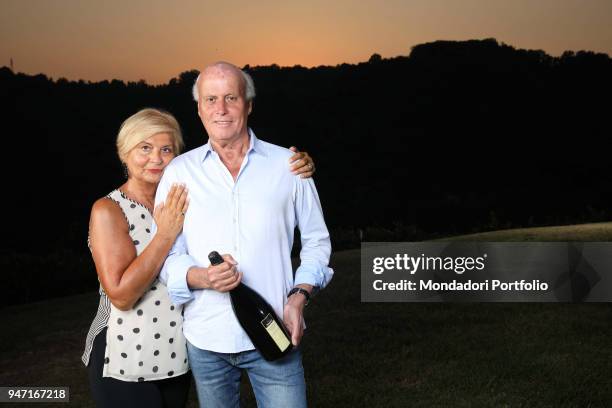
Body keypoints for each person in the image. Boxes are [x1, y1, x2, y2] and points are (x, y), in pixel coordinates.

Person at [82, 107, 317, 408]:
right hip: (124, 351)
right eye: (144, 148)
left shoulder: (184, 192)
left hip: (176, 351)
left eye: (166, 149)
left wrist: (293, 165)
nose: (156, 158)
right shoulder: (108, 210)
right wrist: (165, 234)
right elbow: (122, 296)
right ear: (123, 152)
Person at [157, 62, 333, 408]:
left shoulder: (289, 166)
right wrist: (202, 276)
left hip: (275, 332)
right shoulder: (179, 173)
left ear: (248, 104)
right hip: (207, 340)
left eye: (230, 98)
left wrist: (298, 296)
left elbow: (317, 242)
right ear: (199, 108)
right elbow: (167, 254)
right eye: (210, 99)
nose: (220, 109)